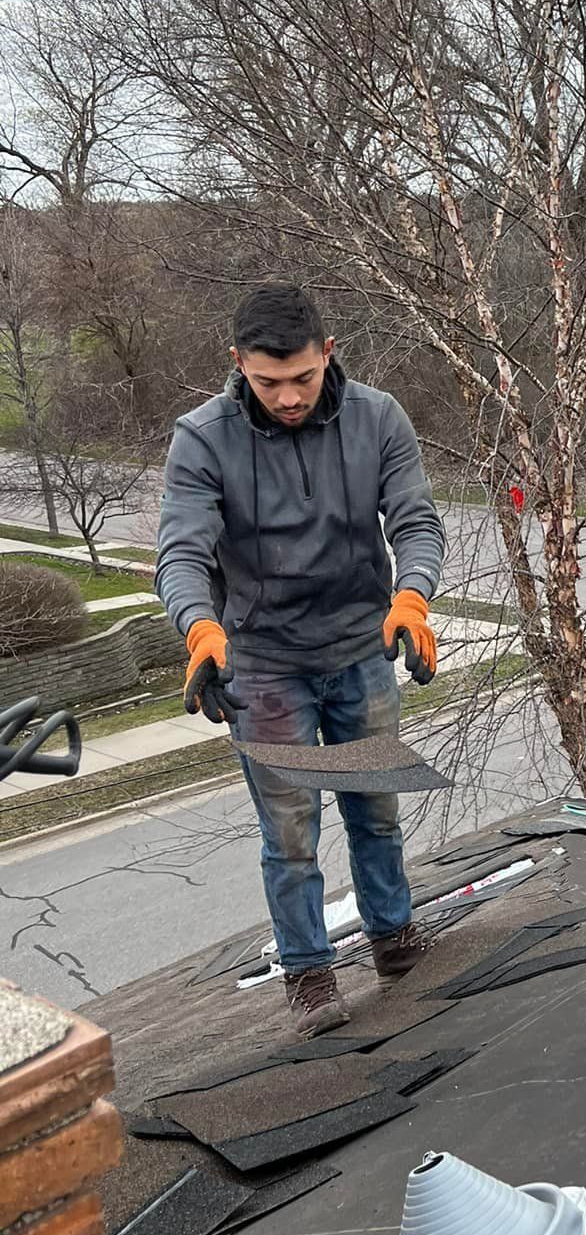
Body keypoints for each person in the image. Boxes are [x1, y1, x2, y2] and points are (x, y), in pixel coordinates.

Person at [156, 285, 447, 1038]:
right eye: (267, 382)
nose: (287, 397)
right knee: (289, 832)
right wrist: (200, 631)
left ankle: (394, 940)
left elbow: (415, 519)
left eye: (302, 379)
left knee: (375, 814)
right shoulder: (202, 437)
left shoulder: (378, 417)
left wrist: (411, 598)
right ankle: (309, 973)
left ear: (329, 354)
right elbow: (182, 548)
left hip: (359, 648)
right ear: (238, 367)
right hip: (263, 664)